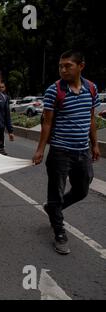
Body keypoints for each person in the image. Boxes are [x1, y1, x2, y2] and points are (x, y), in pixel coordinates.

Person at [32, 50, 101, 255]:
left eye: (68, 66)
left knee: (82, 189)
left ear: (81, 66)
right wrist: (40, 150)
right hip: (60, 152)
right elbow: (47, 122)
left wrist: (95, 144)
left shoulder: (91, 88)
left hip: (83, 151)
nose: (63, 70)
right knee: (56, 192)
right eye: (61, 66)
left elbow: (91, 118)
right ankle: (59, 232)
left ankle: (54, 209)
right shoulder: (55, 90)